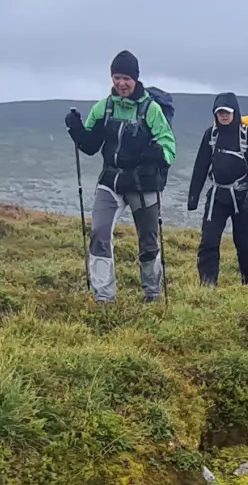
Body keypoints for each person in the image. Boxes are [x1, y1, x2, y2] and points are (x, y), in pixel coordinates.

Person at [66, 50, 176, 303]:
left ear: (135, 79)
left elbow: (169, 148)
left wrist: (155, 153)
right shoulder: (104, 107)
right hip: (111, 182)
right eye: (116, 77)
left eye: (126, 78)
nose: (121, 83)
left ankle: (152, 294)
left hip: (142, 184)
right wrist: (76, 129)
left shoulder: (152, 109)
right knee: (99, 234)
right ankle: (104, 298)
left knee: (148, 242)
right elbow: (91, 146)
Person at [187, 92, 248, 285]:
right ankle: (207, 283)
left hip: (241, 197)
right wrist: (193, 197)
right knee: (209, 241)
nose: (224, 116)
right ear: (215, 114)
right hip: (217, 198)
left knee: (244, 243)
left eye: (227, 112)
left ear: (235, 112)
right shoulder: (210, 135)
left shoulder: (247, 135)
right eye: (220, 112)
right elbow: (201, 165)